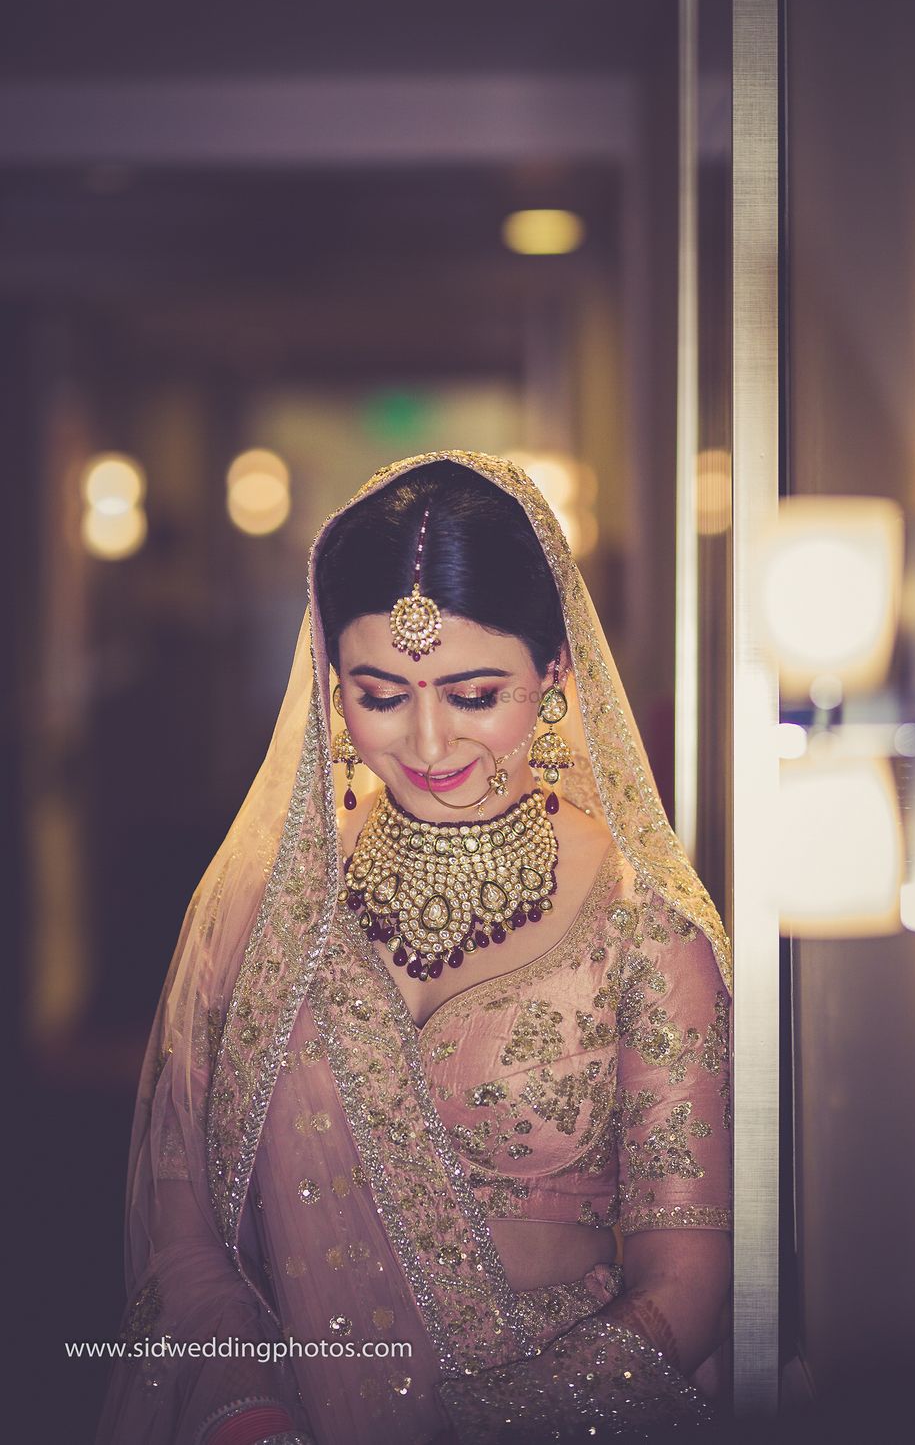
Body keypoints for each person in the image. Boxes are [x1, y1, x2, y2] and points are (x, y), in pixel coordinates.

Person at [97, 451, 732, 1445]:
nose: (430, 746)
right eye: (382, 696)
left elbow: (686, 1281)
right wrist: (248, 1412)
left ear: (554, 674)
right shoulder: (264, 910)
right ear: (330, 684)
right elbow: (185, 1247)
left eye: (476, 695)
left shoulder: (641, 930)